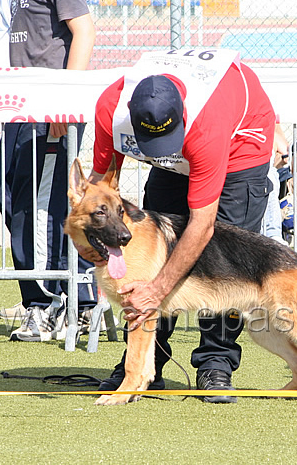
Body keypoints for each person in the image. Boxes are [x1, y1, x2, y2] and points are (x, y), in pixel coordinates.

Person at [88, 49, 275, 402]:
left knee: (225, 259)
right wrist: (92, 236)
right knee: (151, 245)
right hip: (183, 147)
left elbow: (203, 226)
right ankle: (146, 362)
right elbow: (98, 186)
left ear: (182, 115)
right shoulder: (109, 107)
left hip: (239, 147)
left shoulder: (208, 124)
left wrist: (157, 290)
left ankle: (215, 363)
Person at [0, 0, 97, 341]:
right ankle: (75, 292)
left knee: (40, 207)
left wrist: (63, 97)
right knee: (11, 194)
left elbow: (85, 29)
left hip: (49, 106)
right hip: (23, 106)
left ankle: (48, 304)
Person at [261, 124, 297, 244]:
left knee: (270, 174)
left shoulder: (272, 128)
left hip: (270, 181)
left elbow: (296, 165)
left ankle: (273, 234)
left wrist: (292, 154)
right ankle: (273, 234)